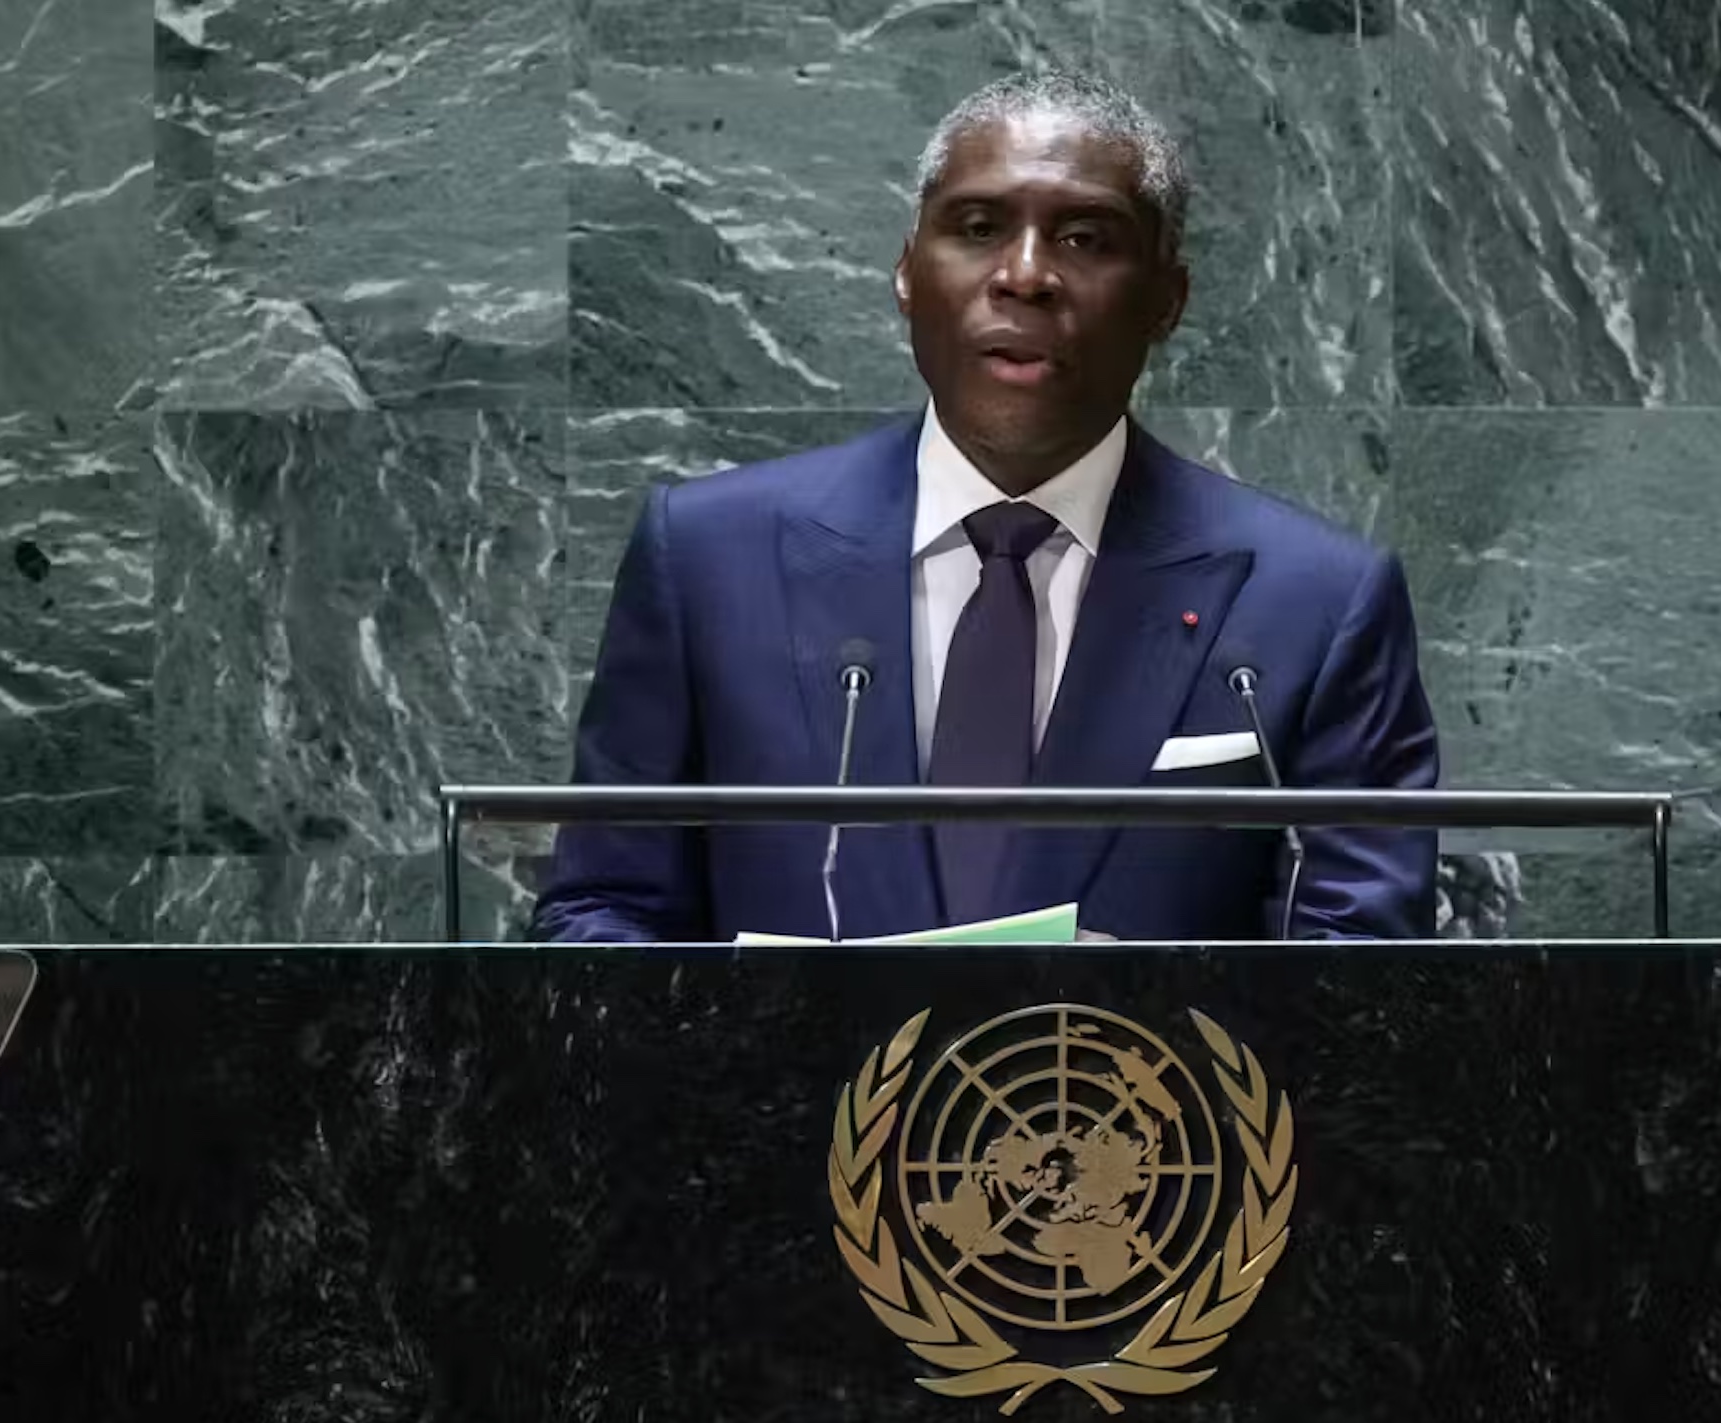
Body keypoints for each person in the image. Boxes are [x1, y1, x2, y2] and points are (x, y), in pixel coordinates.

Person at [530, 69, 1440, 943]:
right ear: (905, 273)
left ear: (1169, 298)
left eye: (1086, 238)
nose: (1026, 275)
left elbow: (1359, 976)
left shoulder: (1316, 604)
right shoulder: (705, 560)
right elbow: (604, 911)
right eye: (976, 226)